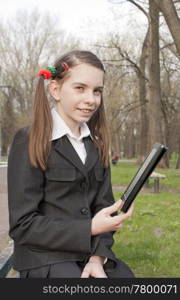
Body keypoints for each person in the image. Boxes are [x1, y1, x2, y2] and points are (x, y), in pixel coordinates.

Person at [8, 50, 134, 278]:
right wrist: (90, 228)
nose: (91, 99)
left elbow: (101, 209)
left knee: (125, 278)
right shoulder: (30, 139)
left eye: (97, 91)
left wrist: (98, 257)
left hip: (89, 255)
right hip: (43, 260)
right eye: (80, 88)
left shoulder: (96, 144)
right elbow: (23, 225)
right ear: (55, 89)